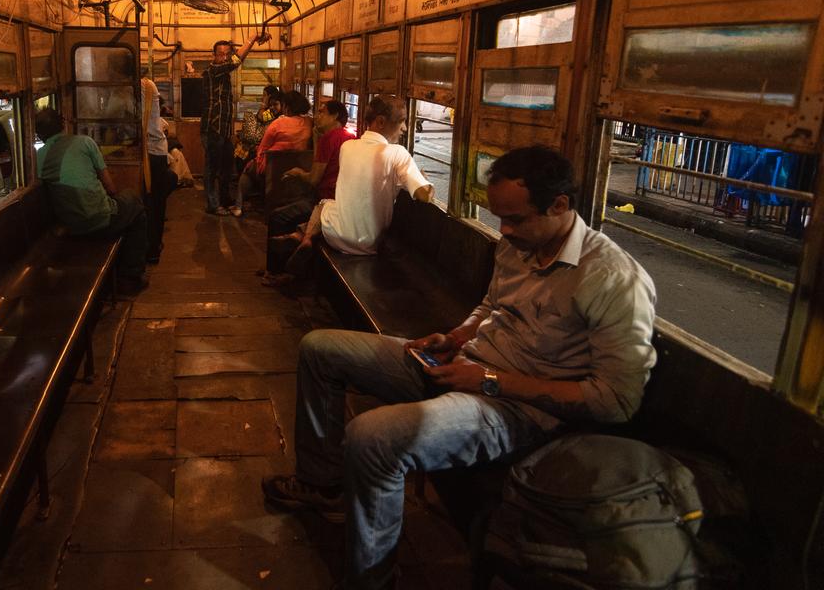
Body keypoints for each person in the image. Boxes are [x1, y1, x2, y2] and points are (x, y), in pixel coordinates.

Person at [261, 146, 658, 590]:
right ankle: (324, 484)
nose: (504, 231)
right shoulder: (518, 246)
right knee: (320, 348)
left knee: (372, 437)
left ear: (560, 205)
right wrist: (455, 337)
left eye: (516, 219)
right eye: (499, 219)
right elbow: (491, 306)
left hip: (516, 411)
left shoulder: (611, 279)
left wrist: (490, 382)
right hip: (466, 367)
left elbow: (617, 400)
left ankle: (372, 579)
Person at [280, 95, 432, 274]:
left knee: (324, 205)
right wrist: (423, 179)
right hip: (368, 243)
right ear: (381, 122)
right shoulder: (398, 153)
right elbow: (424, 195)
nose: (405, 128)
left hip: (335, 234)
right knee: (326, 205)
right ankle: (303, 237)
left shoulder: (348, 147)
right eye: (402, 121)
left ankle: (304, 237)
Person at [34, 108, 148, 292]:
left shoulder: (39, 157)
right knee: (135, 205)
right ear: (64, 124)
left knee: (122, 208)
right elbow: (111, 188)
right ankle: (130, 276)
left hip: (68, 224)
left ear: (39, 134)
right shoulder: (85, 142)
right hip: (99, 219)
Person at [202, 31, 270, 216]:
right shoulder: (212, 71)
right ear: (214, 55)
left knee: (226, 168)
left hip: (223, 130)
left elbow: (236, 60)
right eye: (220, 54)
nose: (223, 57)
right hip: (212, 129)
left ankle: (224, 200)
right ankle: (213, 204)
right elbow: (236, 60)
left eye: (226, 54)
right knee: (212, 169)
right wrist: (253, 38)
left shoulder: (224, 73)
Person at [268, 99, 355, 236]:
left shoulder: (329, 138)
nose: (316, 116)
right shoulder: (350, 136)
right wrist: (315, 139)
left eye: (322, 112)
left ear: (335, 116)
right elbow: (318, 166)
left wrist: (298, 172)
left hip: (325, 200)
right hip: (343, 201)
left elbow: (314, 179)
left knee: (277, 216)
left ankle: (285, 252)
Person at [235, 90, 313, 214]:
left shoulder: (278, 123)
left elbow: (262, 148)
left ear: (286, 106)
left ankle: (238, 206)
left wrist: (258, 163)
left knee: (248, 168)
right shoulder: (309, 123)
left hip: (273, 167)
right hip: (299, 166)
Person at [141, 72, 170, 264]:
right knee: (156, 204)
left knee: (152, 203)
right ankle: (154, 246)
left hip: (150, 151)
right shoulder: (147, 86)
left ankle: (152, 249)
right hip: (155, 151)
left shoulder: (144, 87)